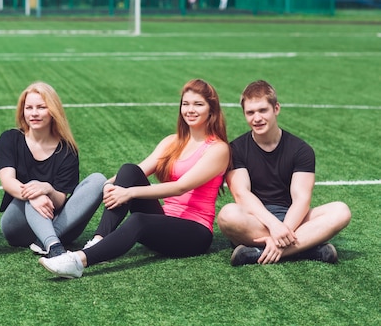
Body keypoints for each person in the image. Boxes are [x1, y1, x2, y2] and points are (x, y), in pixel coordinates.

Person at [39, 79, 230, 278]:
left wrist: (129, 193)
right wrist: (110, 184)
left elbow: (181, 187)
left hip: (194, 233)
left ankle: (78, 261)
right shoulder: (172, 141)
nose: (190, 110)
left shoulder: (218, 149)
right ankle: (98, 241)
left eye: (198, 104)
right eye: (186, 103)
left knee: (139, 220)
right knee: (129, 170)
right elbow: (137, 171)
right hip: (165, 220)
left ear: (211, 109)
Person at [217, 80, 351, 266]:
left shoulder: (301, 149)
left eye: (263, 110)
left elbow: (302, 199)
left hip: (294, 219)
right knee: (227, 214)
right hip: (256, 220)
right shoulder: (236, 149)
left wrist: (285, 229)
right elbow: (242, 195)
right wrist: (274, 226)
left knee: (341, 211)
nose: (257, 118)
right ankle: (308, 248)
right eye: (250, 112)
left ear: (276, 109)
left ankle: (258, 253)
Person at [0, 81, 106, 258]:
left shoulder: (67, 150)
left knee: (98, 180)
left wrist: (47, 189)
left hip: (61, 226)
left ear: (53, 111)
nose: (34, 113)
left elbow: (60, 200)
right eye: (29, 108)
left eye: (41, 107)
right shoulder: (10, 139)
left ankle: (47, 241)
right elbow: (8, 182)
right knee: (33, 186)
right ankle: (54, 247)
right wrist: (36, 193)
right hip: (17, 227)